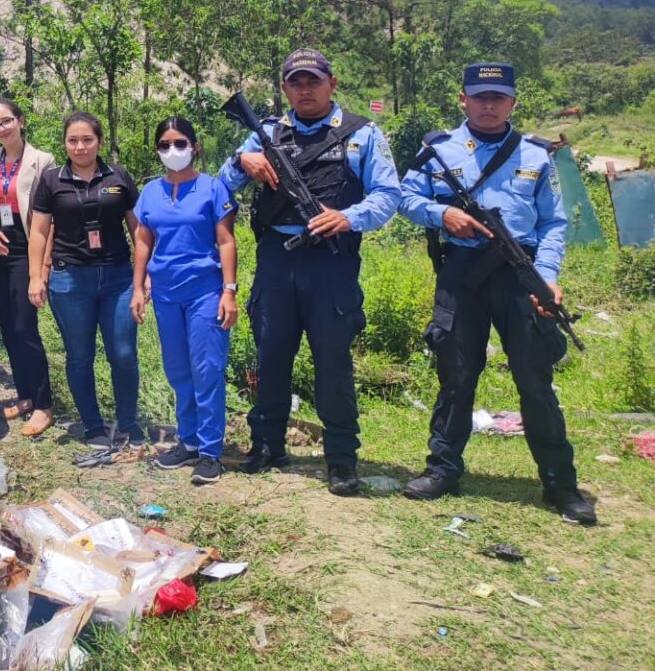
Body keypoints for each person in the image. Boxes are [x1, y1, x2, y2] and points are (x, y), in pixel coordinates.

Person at [397, 62, 595, 524]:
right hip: (462, 271)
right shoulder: (438, 150)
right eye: (480, 96)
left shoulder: (536, 155)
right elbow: (404, 198)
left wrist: (547, 276)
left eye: (498, 97)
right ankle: (443, 469)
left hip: (519, 271)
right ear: (463, 99)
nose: (488, 105)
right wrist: (442, 215)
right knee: (457, 373)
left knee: (533, 378)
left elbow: (554, 223)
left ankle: (560, 484)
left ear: (512, 103)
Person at [218, 48, 401, 496]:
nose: (305, 90)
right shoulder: (266, 133)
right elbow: (221, 185)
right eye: (296, 83)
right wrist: (242, 163)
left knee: (333, 363)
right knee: (271, 357)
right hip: (277, 260)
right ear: (285, 88)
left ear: (331, 84)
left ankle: (341, 459)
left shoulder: (362, 134)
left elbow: (388, 196)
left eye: (313, 81)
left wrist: (347, 217)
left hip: (331, 262)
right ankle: (267, 446)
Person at [27, 112, 148, 450]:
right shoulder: (52, 180)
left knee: (123, 353)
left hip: (118, 278)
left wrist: (144, 276)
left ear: (100, 142)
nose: (80, 147)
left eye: (87, 140)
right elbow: (39, 232)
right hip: (69, 281)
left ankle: (128, 421)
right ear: (65, 144)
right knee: (80, 356)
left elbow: (138, 229)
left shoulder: (118, 176)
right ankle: (93, 425)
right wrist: (36, 276)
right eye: (73, 141)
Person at [131, 117, 239, 486]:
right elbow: (143, 241)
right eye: (164, 145)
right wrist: (138, 287)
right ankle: (188, 441)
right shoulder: (150, 192)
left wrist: (229, 291)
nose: (172, 150)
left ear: (195, 146)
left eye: (180, 143)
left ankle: (210, 452)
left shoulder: (213, 189)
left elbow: (225, 241)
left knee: (206, 370)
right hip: (165, 293)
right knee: (178, 370)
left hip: (205, 291)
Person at [0, 98, 57, 437]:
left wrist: (43, 266)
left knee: (25, 327)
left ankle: (44, 404)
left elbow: (51, 215)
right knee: (8, 327)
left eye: (7, 121)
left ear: (20, 121)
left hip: (26, 247)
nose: (2, 128)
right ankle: (25, 396)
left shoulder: (42, 160)